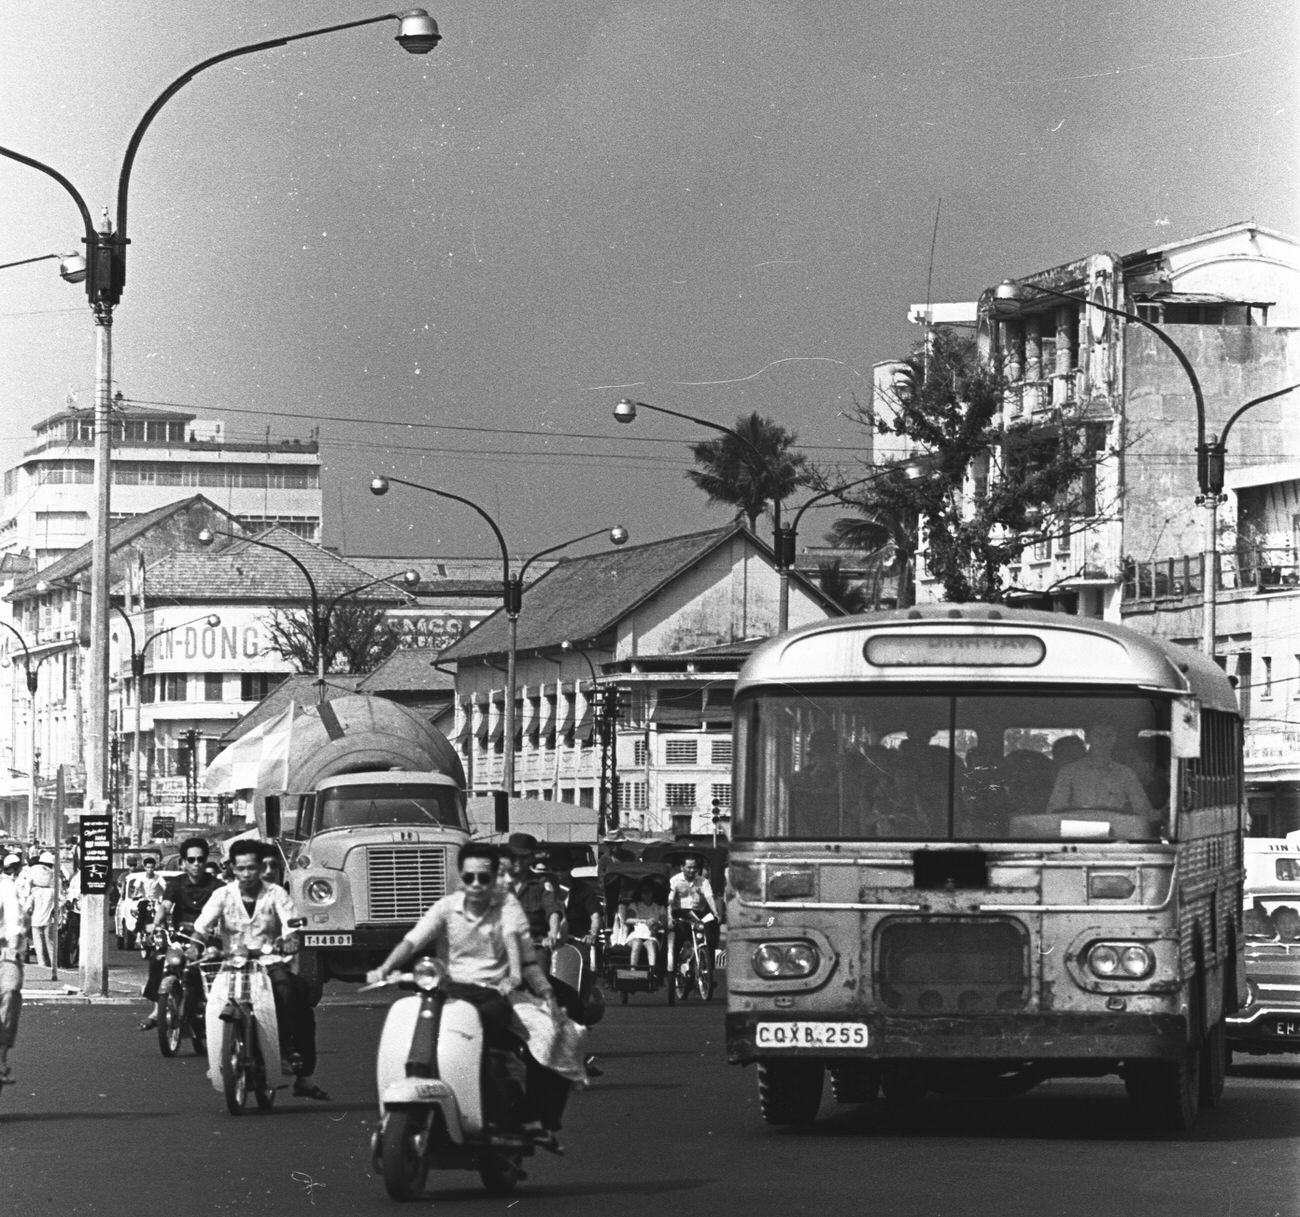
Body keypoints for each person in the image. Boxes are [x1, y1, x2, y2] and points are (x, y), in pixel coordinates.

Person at [368, 842, 571, 1151]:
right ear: (460, 877)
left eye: (484, 878)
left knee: (548, 1040)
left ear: (494, 878)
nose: (476, 885)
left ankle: (528, 1118)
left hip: (494, 994)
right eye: (469, 877)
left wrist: (544, 992)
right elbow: (412, 941)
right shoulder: (447, 907)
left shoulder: (507, 908)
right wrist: (384, 967)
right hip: (449, 992)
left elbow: (526, 959)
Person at [192, 838, 328, 1101]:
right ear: (231, 867)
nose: (246, 874)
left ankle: (287, 1048)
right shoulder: (222, 895)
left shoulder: (276, 893)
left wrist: (290, 940)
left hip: (269, 963)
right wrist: (194, 946)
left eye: (251, 868)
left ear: (259, 868)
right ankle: (218, 1059)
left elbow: (292, 925)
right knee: (210, 1001)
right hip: (232, 964)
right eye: (240, 868)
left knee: (288, 990)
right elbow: (201, 927)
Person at [139, 837, 221, 1031]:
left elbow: (224, 912)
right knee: (158, 958)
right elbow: (165, 906)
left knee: (213, 967)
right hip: (180, 937)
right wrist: (156, 923)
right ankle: (157, 1009)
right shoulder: (176, 884)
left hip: (208, 940)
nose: (196, 864)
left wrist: (219, 927)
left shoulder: (217, 886)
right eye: (191, 860)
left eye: (200, 860)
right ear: (183, 862)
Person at [1047, 722, 1153, 817]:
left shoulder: (1127, 774)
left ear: (1115, 738)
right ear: (1087, 738)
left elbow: (1143, 811)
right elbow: (1055, 811)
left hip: (1116, 833)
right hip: (1078, 832)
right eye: (1098, 736)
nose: (1103, 741)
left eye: (1109, 736)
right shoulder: (1068, 772)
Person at [668, 854, 720, 976]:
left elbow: (709, 898)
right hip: (681, 914)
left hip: (699, 915)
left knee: (712, 931)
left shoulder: (703, 882)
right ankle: (674, 967)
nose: (692, 870)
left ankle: (708, 967)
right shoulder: (674, 881)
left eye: (694, 868)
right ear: (682, 867)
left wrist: (716, 913)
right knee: (678, 937)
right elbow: (669, 902)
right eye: (689, 867)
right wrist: (670, 918)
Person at [0, 854, 25, 1084]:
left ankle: (1, 1057)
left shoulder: (5, 886)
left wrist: (13, 947)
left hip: (2, 951)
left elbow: (14, 919)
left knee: (10, 990)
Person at [620, 879, 665, 969]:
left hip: (651, 935)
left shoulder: (660, 907)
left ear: (653, 893)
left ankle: (652, 972)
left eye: (649, 891)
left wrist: (655, 922)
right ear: (640, 893)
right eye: (644, 891)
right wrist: (642, 920)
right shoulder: (635, 905)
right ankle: (633, 970)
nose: (646, 894)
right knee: (637, 943)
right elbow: (628, 920)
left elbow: (663, 922)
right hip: (636, 934)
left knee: (651, 945)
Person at [26, 851, 56, 969]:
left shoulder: (34, 892)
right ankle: (53, 963)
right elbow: (61, 902)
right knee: (50, 942)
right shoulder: (52, 889)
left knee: (38, 943)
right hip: (49, 920)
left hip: (35, 921)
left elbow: (27, 907)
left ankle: (42, 964)